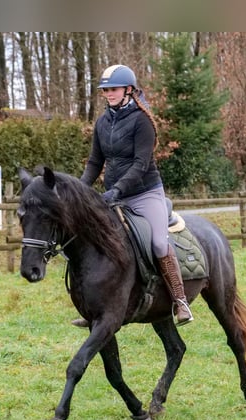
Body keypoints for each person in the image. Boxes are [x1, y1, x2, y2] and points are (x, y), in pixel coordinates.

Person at [72, 64, 193, 328]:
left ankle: (180, 300)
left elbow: (140, 164)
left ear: (128, 89)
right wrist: (79, 191)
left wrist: (117, 190)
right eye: (105, 90)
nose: (108, 94)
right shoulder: (102, 123)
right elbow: (94, 162)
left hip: (144, 193)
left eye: (113, 89)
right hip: (114, 196)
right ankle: (95, 304)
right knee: (93, 240)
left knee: (159, 244)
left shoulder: (142, 120)